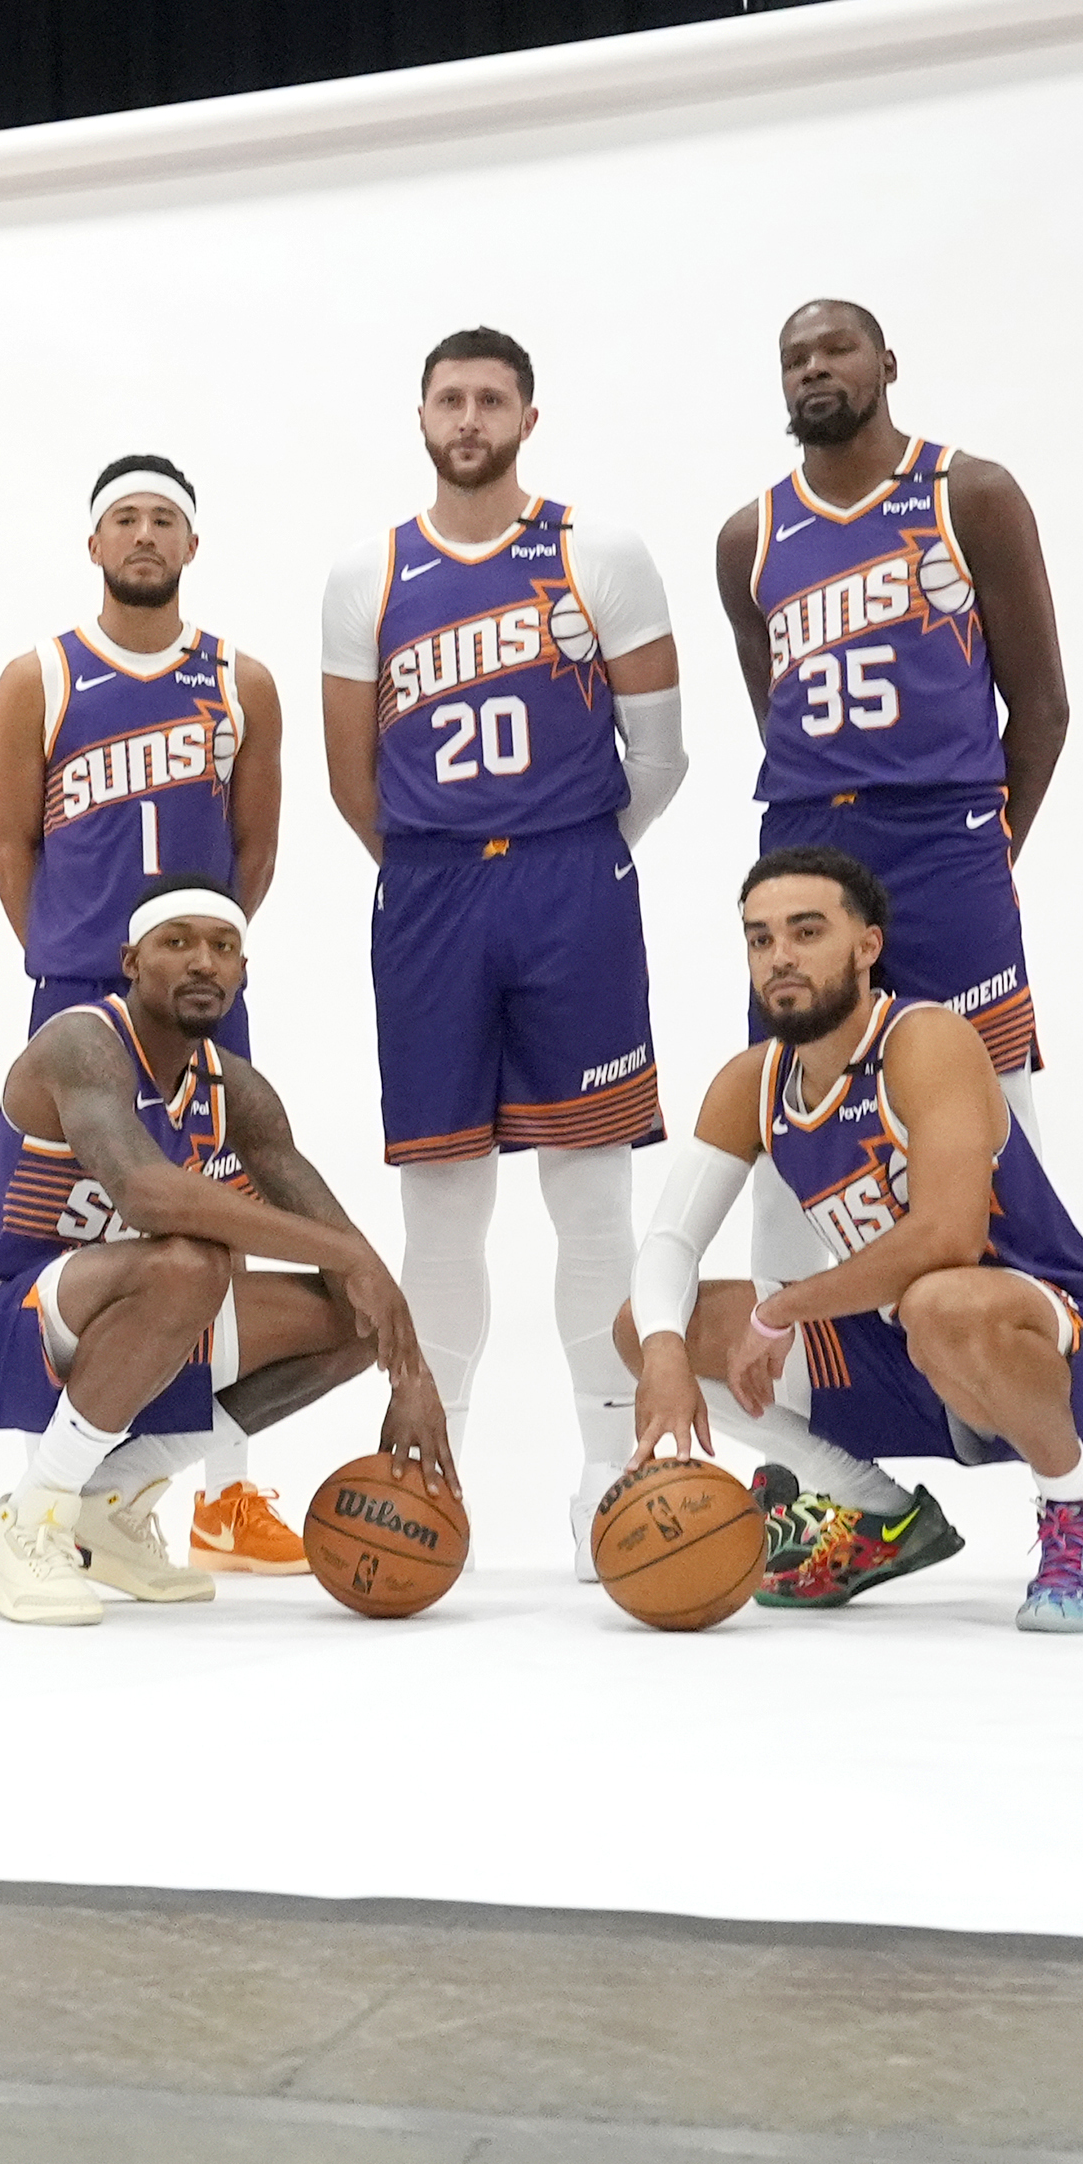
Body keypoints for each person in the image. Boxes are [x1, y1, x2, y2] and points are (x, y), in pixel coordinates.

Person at [320, 326, 690, 1578]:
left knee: (591, 1196)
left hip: (572, 883)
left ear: (529, 416)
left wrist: (572, 853)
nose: (468, 417)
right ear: (420, 416)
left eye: (491, 399)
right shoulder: (366, 573)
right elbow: (350, 782)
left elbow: (664, 758)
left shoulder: (600, 554)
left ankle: (605, 1473)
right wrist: (451, 865)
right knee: (439, 1204)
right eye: (449, 398)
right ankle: (437, 1465)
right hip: (428, 897)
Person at [617, 849, 1083, 1632]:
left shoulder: (924, 1042)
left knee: (939, 1300)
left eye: (806, 931)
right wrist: (661, 1354)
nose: (780, 957)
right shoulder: (753, 1083)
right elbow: (667, 1246)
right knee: (647, 1324)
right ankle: (876, 1514)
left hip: (1065, 1350)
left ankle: (1082, 1512)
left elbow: (946, 1238)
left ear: (867, 947)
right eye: (760, 939)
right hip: (909, 1360)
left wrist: (783, 1309)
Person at [0, 878, 448, 1625]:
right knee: (191, 1259)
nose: (204, 961)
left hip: (115, 1329)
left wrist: (411, 1376)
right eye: (179, 943)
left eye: (223, 947)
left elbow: (351, 1268)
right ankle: (29, 1519)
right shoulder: (81, 1045)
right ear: (131, 962)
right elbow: (149, 1196)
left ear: (242, 972)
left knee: (349, 1319)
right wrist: (347, 1252)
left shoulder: (238, 1093)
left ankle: (113, 1501)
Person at [710, 301, 1076, 1343]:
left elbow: (1041, 706)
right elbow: (773, 708)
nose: (815, 369)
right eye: (794, 357)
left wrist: (991, 842)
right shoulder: (751, 536)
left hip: (947, 838)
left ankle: (1042, 1370)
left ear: (887, 363)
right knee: (793, 1113)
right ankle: (817, 1443)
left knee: (993, 1106)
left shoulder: (972, 494)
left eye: (836, 349)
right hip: (809, 844)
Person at [0, 454, 304, 1570]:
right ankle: (64, 1484)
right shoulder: (42, 675)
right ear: (95, 544)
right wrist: (73, 957)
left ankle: (220, 1493)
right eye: (125, 519)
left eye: (164, 519)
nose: (145, 536)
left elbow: (255, 848)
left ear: (192, 545)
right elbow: (11, 845)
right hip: (80, 984)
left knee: (224, 1221)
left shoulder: (239, 680)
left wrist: (199, 953)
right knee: (87, 1225)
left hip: (199, 1000)